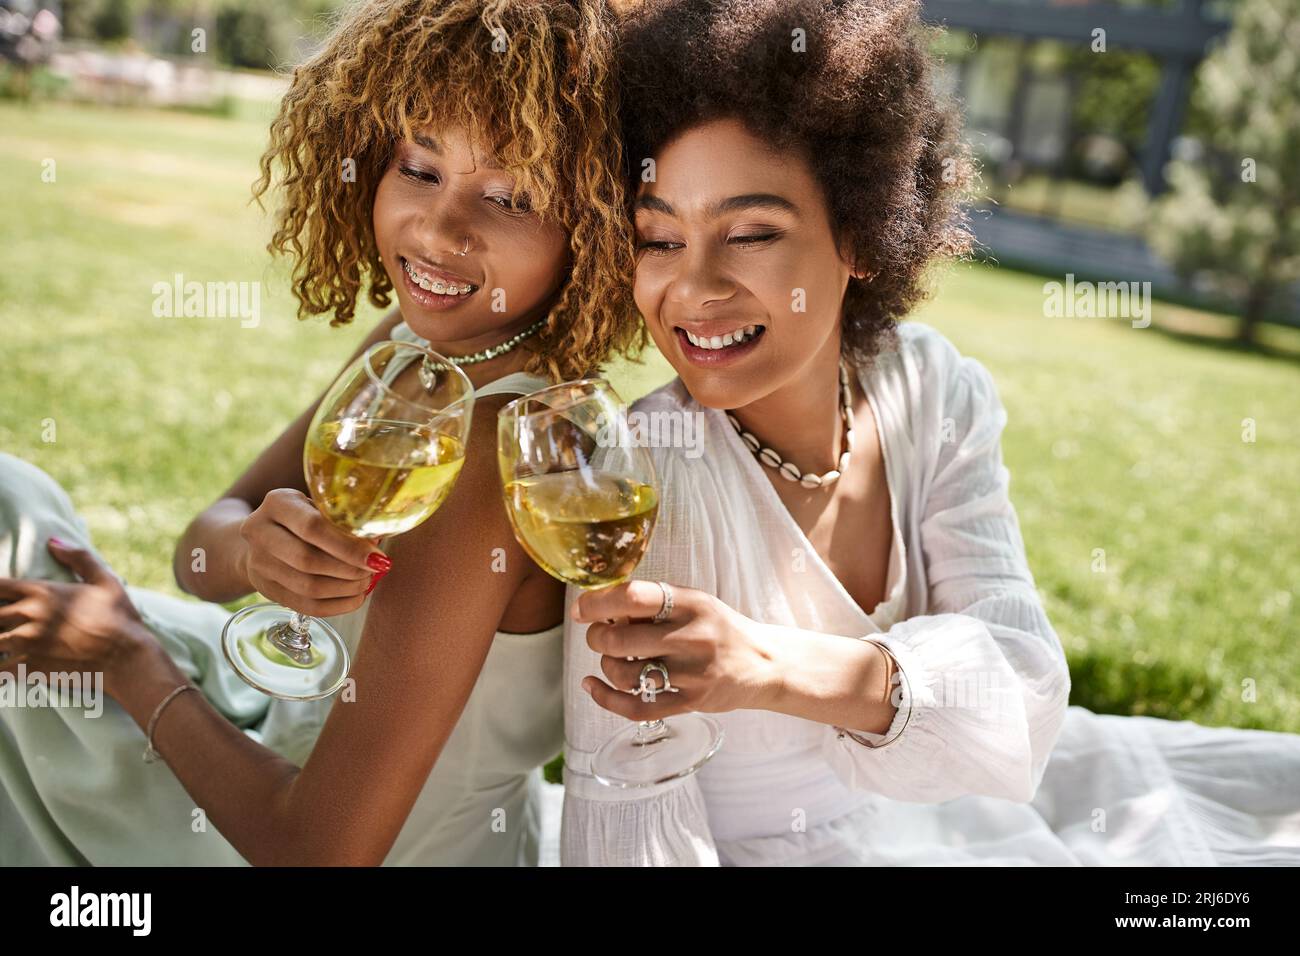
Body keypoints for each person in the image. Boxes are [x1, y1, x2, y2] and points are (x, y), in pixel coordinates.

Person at [559, 0, 1300, 866]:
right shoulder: (640, 482)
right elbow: (628, 814)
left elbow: (1025, 685)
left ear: (864, 235)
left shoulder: (929, 386)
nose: (694, 287)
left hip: (943, 827)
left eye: (752, 232)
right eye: (659, 237)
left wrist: (775, 665)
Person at [0, 0, 643, 866]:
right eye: (419, 168)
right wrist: (254, 555)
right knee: (15, 504)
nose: (439, 227)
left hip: (299, 829)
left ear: (597, 228)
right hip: (272, 721)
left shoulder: (495, 453)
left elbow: (318, 852)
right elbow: (200, 555)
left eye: (510, 196)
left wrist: (122, 655)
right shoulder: (418, 348)